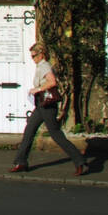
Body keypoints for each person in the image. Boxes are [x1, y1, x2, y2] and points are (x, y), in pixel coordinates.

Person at [10, 41, 90, 176]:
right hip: (41, 106)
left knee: (56, 135)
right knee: (29, 131)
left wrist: (38, 89)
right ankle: (21, 162)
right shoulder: (41, 66)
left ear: (41, 54)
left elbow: (52, 82)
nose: (33, 58)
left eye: (34, 56)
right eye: (31, 56)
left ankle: (79, 160)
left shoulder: (44, 66)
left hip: (47, 106)